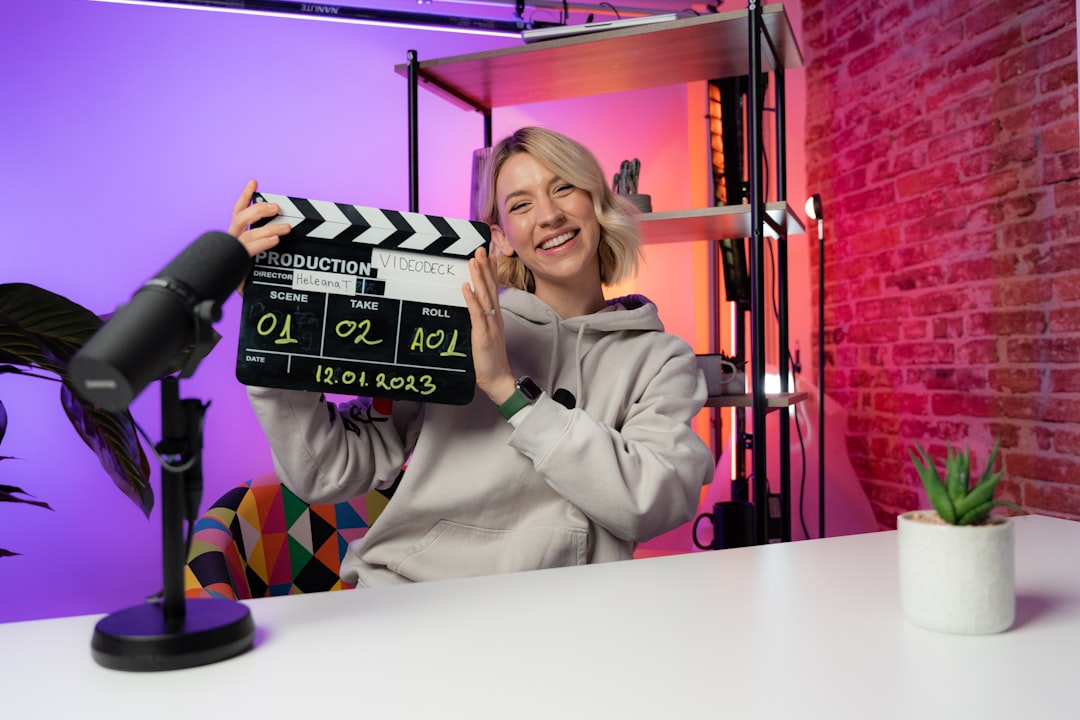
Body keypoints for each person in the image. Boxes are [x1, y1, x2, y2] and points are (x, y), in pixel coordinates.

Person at [229, 126, 714, 587]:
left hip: (564, 618)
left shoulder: (660, 359)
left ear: (598, 203)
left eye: (563, 188)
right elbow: (330, 470)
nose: (548, 215)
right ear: (500, 236)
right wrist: (269, 331)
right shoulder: (448, 322)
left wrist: (508, 390)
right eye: (521, 204)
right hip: (417, 598)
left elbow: (654, 503)